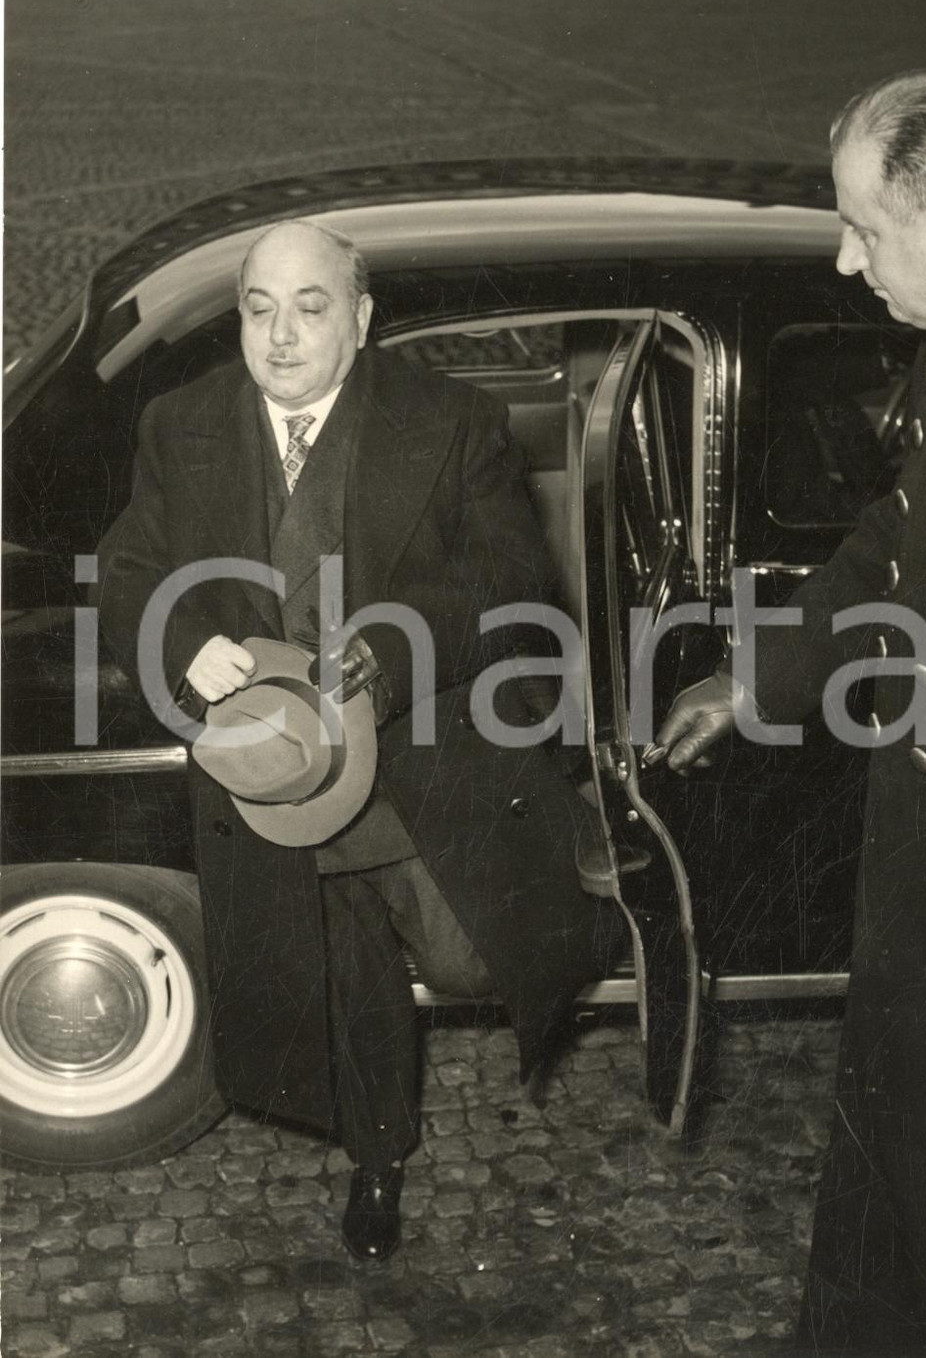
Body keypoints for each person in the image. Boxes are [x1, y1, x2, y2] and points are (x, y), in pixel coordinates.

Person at [95, 220, 622, 1263]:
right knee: (344, 977)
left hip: (415, 756)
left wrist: (391, 647)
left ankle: (589, 933)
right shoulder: (180, 422)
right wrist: (184, 643)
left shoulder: (453, 418)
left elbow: (516, 585)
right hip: (275, 775)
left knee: (471, 957)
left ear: (362, 319)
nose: (281, 337)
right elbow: (128, 572)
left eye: (311, 307)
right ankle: (377, 1160)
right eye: (259, 310)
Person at [646, 68, 926, 1356]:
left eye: (862, 226)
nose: (847, 262)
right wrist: (754, 677)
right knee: (904, 1150)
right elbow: (889, 543)